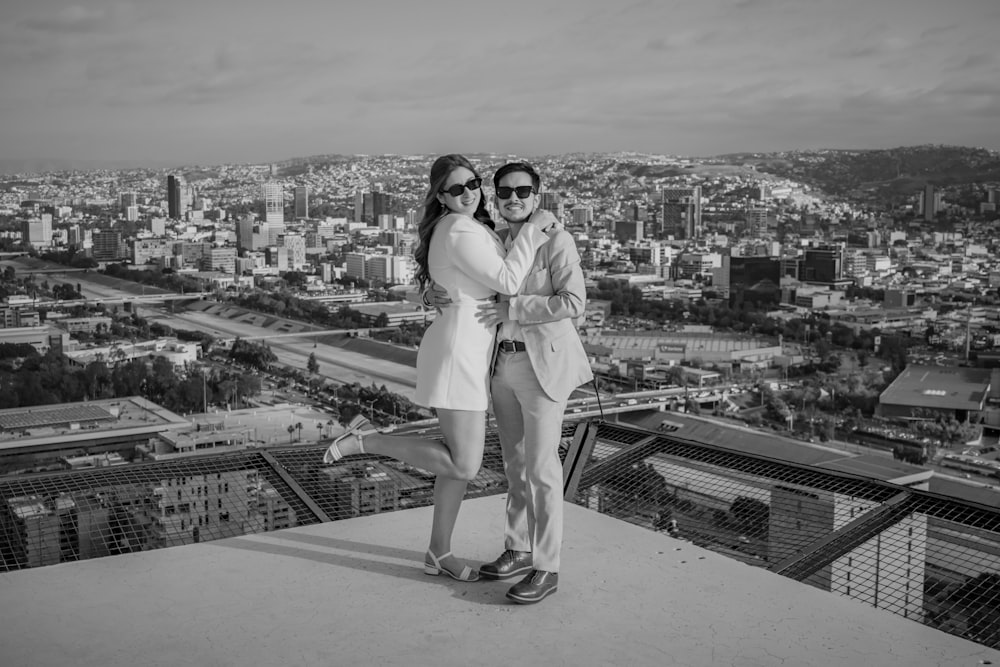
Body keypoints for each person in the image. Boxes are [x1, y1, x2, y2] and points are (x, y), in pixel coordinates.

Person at [323, 154, 557, 582]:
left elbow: (459, 281)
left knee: (454, 462)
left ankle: (438, 552)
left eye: (473, 183)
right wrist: (538, 229)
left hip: (467, 350)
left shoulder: (472, 226)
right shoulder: (459, 227)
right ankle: (366, 440)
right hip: (458, 356)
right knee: (465, 465)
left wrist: (429, 294)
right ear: (441, 198)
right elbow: (506, 281)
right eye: (455, 189)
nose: (468, 193)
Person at [474, 161, 593, 604]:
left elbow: (574, 302)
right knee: (514, 465)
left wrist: (516, 308)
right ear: (496, 198)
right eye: (504, 193)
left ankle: (548, 567)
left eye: (522, 192)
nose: (513, 199)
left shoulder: (556, 239)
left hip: (542, 367)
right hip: (501, 366)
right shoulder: (493, 242)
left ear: (536, 196)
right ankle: (519, 548)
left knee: (543, 469)